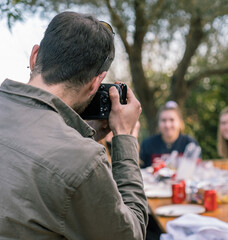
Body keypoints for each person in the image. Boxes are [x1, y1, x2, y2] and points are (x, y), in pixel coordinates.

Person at [0, 12, 147, 239]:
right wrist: (125, 136)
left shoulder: (79, 154)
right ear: (96, 82)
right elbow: (130, 234)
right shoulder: (84, 160)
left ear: (35, 56)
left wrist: (84, 134)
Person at [139, 100, 199, 168]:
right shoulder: (147, 145)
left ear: (180, 122)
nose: (167, 125)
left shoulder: (190, 144)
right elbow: (141, 171)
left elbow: (196, 170)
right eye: (163, 120)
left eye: (172, 120)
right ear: (158, 124)